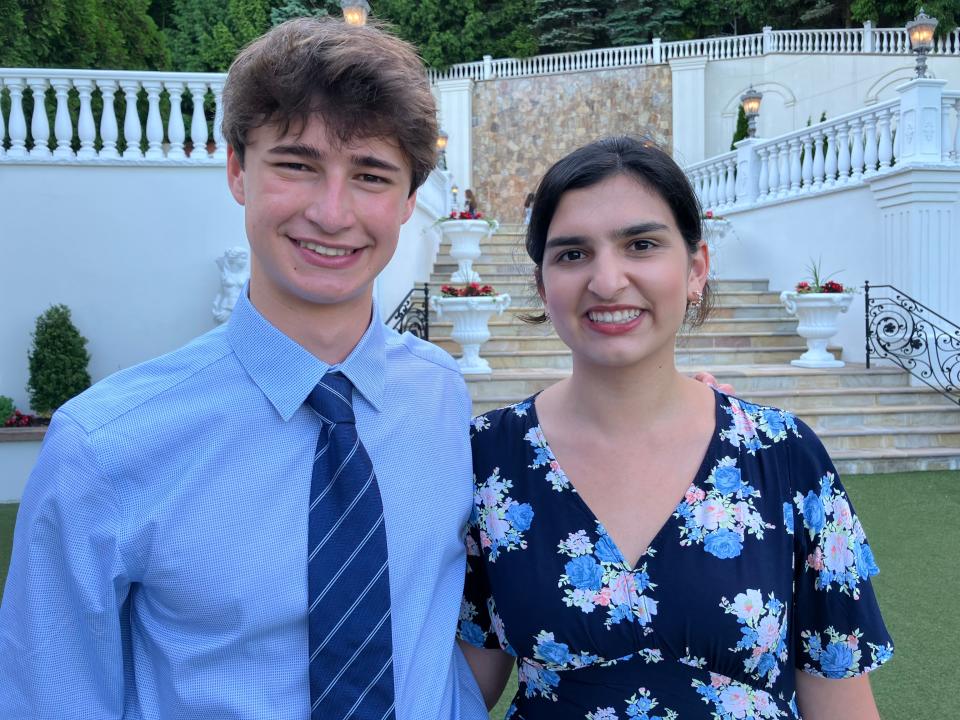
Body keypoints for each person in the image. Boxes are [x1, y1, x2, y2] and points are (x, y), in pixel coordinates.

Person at [0, 18, 487, 720]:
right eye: (296, 164)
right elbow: (51, 699)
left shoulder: (441, 397)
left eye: (371, 175)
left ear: (410, 201)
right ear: (236, 169)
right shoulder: (103, 448)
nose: (331, 211)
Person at [456, 136, 893, 719]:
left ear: (696, 270)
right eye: (572, 254)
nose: (607, 281)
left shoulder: (783, 455)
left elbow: (839, 696)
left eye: (641, 244)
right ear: (542, 284)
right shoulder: (488, 457)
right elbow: (463, 687)